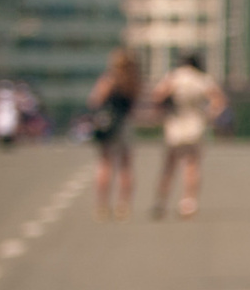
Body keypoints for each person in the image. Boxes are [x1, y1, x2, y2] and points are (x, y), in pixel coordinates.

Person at [150, 51, 223, 220]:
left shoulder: (174, 77)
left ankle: (161, 200)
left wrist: (163, 111)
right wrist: (209, 115)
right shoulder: (203, 79)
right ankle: (188, 202)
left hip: (175, 123)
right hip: (195, 123)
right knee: (192, 165)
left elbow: (157, 96)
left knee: (169, 165)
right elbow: (218, 101)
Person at [89, 47, 141, 219]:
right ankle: (123, 206)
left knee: (105, 164)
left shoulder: (110, 79)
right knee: (126, 166)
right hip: (126, 124)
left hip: (109, 125)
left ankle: (102, 206)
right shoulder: (133, 81)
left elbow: (95, 100)